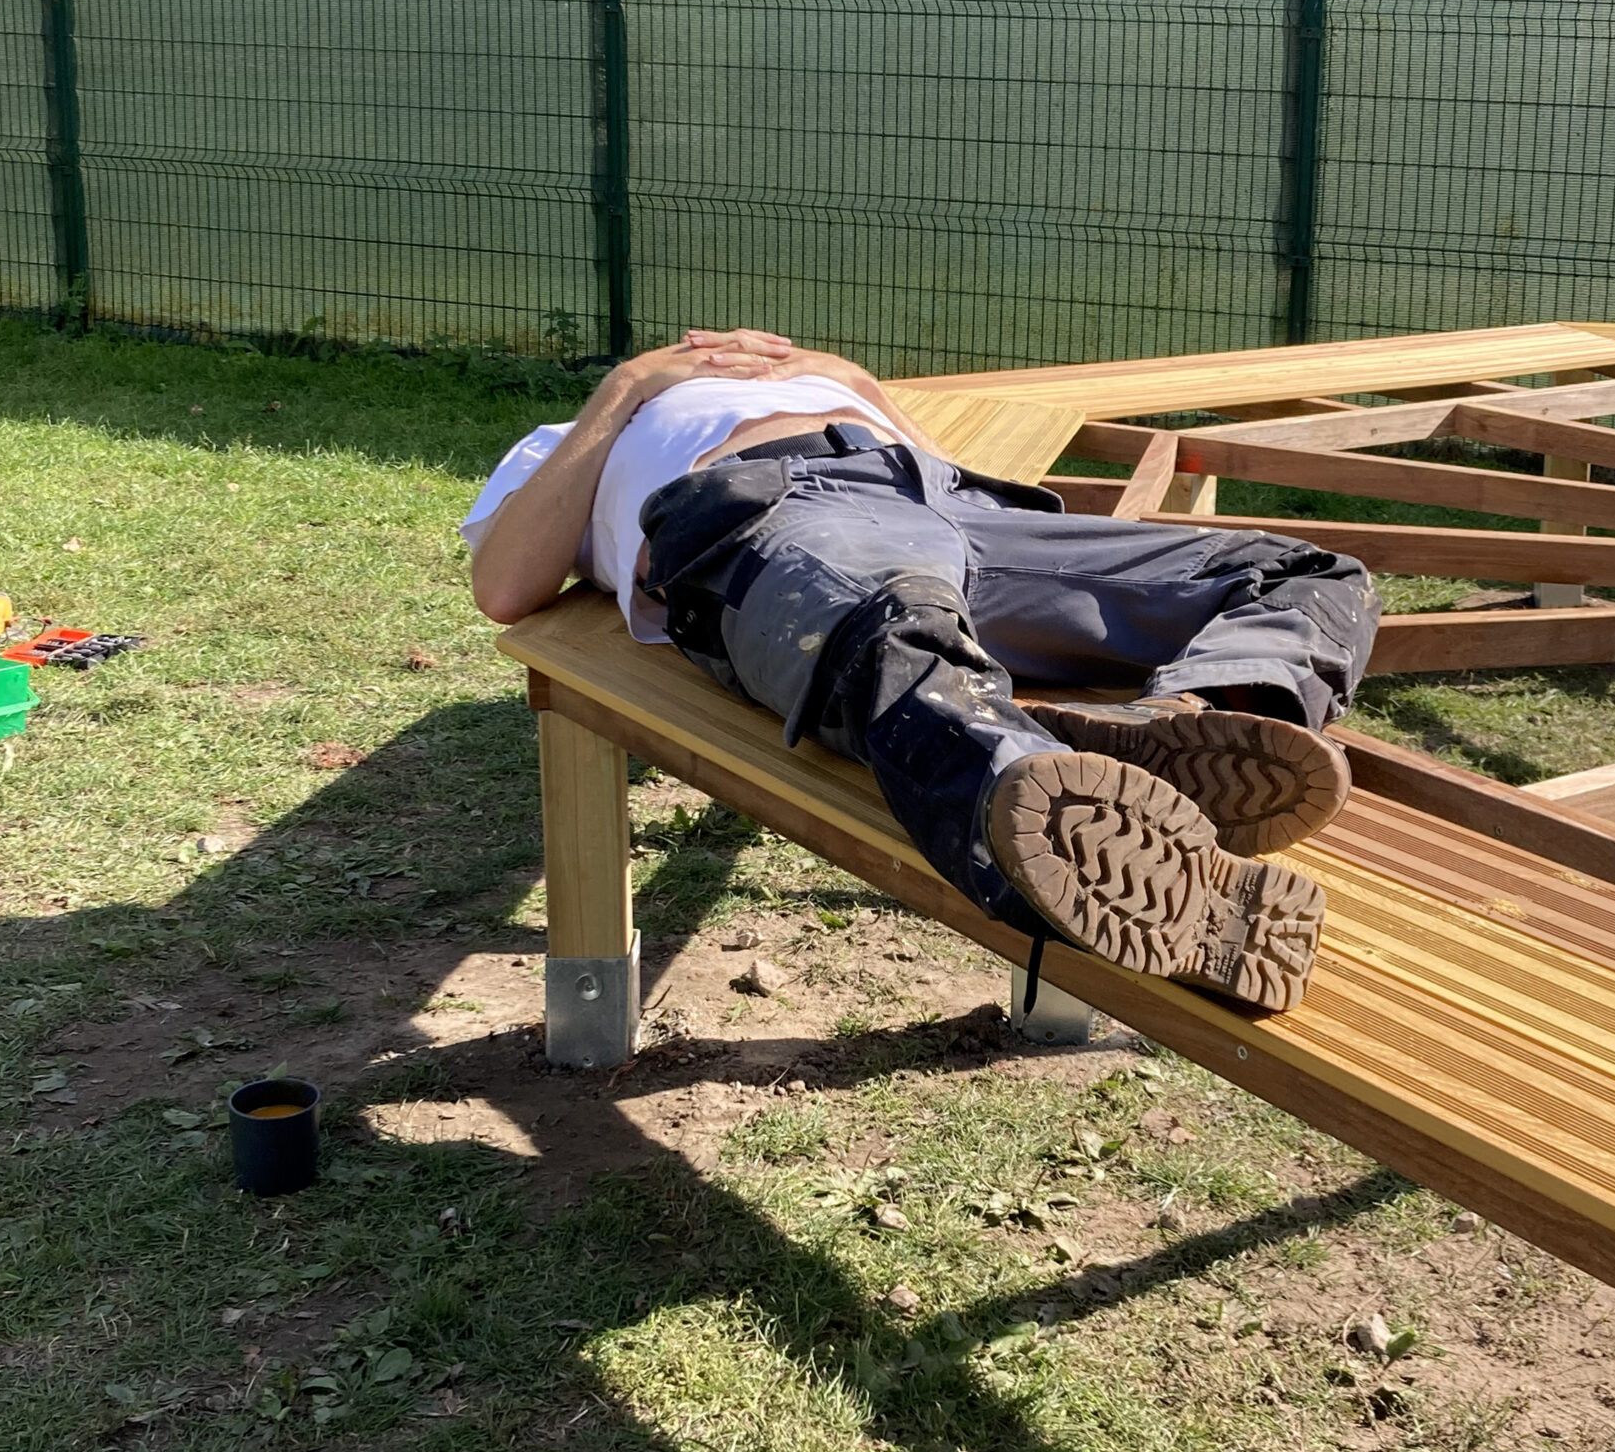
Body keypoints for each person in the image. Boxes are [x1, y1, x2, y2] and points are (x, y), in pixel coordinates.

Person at [465, 328, 1380, 1012]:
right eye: (700, 351)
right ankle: (1061, 820)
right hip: (774, 511)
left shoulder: (837, 387)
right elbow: (506, 587)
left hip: (955, 504)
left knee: (1304, 571)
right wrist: (628, 386)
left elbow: (938, 463)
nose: (730, 352)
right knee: (892, 632)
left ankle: (1189, 717)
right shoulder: (578, 436)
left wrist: (848, 381)